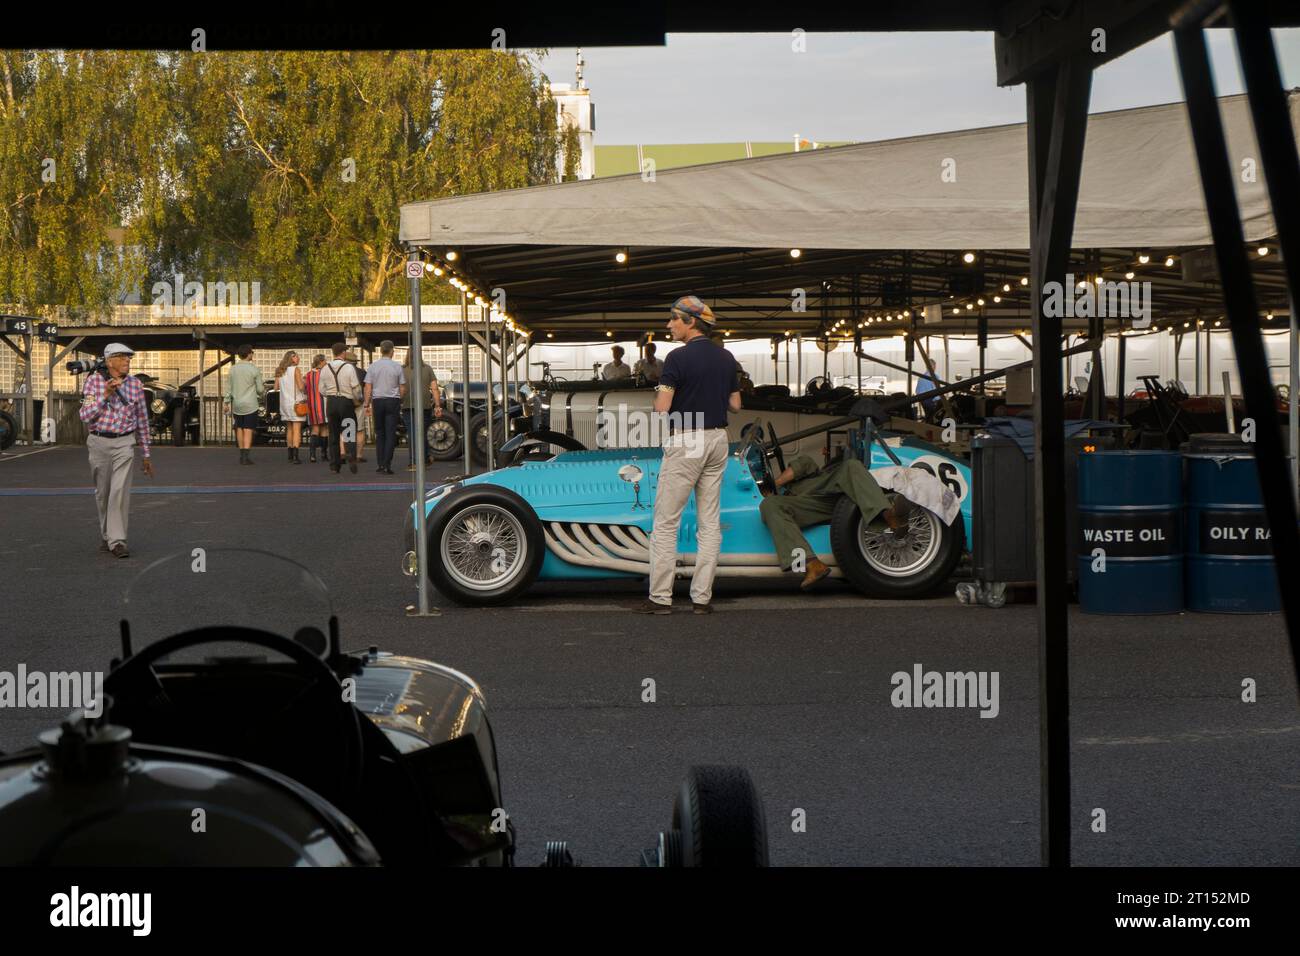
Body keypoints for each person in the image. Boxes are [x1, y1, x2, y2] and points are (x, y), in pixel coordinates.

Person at [638, 296, 740, 616]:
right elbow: (735, 405)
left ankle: (661, 598)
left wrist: (664, 393)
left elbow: (662, 408)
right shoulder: (726, 357)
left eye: (674, 319)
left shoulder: (676, 358)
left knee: (666, 522)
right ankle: (701, 598)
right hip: (718, 439)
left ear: (691, 322)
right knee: (709, 522)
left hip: (687, 436)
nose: (669, 325)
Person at [758, 453, 910, 590]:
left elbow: (804, 463)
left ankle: (888, 514)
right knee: (769, 505)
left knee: (851, 464)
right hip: (808, 506)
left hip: (826, 489)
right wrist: (769, 495)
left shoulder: (805, 469)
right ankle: (812, 564)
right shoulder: (780, 500)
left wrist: (775, 483)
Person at [78, 342, 154, 558]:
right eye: (122, 357)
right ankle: (107, 535)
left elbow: (142, 420)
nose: (127, 361)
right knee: (103, 493)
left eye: (129, 357)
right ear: (109, 361)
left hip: (124, 443)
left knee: (119, 492)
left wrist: (146, 454)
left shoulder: (136, 385)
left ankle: (118, 541)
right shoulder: (92, 382)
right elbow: (84, 415)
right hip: (99, 442)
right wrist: (105, 395)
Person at [363, 339, 406, 475]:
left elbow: (368, 387)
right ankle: (387, 464)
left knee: (380, 433)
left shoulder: (373, 367)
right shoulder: (397, 367)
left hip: (378, 401)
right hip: (393, 401)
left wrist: (366, 404)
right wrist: (399, 399)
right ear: (392, 351)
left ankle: (380, 464)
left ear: (381, 351)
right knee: (390, 433)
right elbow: (402, 387)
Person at [318, 342, 362, 474]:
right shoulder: (348, 367)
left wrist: (331, 394)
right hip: (346, 403)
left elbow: (321, 389)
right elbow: (356, 387)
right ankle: (351, 454)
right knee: (349, 432)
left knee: (333, 435)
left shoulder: (325, 368)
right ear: (343, 353)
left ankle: (334, 466)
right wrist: (358, 399)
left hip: (331, 403)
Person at [402, 349, 444, 470]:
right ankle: (425, 459)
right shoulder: (427, 368)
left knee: (412, 433)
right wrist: (437, 405)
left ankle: (414, 462)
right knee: (423, 432)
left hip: (407, 405)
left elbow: (400, 389)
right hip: (424, 405)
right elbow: (435, 388)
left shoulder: (402, 369)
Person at [223, 344, 265, 465]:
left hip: (237, 404)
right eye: (252, 352)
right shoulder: (254, 369)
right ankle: (246, 456)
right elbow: (260, 390)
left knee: (239, 429)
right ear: (248, 354)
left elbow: (229, 388)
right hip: (250, 404)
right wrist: (258, 393)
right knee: (248, 429)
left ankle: (241, 455)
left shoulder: (233, 369)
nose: (253, 354)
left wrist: (226, 402)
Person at [275, 350, 306, 464]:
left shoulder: (280, 370)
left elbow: (276, 387)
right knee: (297, 429)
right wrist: (304, 381)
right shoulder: (295, 370)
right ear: (291, 358)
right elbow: (301, 387)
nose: (298, 358)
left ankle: (289, 455)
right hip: (296, 403)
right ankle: (296, 456)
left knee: (289, 429)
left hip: (284, 403)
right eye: (296, 357)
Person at [303, 354, 328, 462]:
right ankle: (324, 454)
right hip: (324, 404)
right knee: (325, 429)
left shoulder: (308, 375)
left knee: (315, 429)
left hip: (312, 405)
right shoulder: (325, 374)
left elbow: (304, 389)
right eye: (325, 361)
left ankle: (312, 455)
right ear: (321, 362)